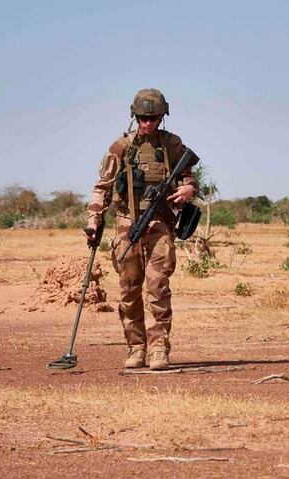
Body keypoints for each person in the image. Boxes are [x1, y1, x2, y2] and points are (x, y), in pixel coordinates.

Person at [84, 89, 198, 370]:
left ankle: (159, 348)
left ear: (162, 117)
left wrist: (188, 189)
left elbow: (190, 178)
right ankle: (136, 347)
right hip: (127, 224)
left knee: (157, 286)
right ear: (134, 117)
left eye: (153, 118)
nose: (147, 123)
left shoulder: (172, 145)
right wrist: (94, 218)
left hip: (160, 224)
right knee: (129, 290)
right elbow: (103, 187)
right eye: (143, 118)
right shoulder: (121, 146)